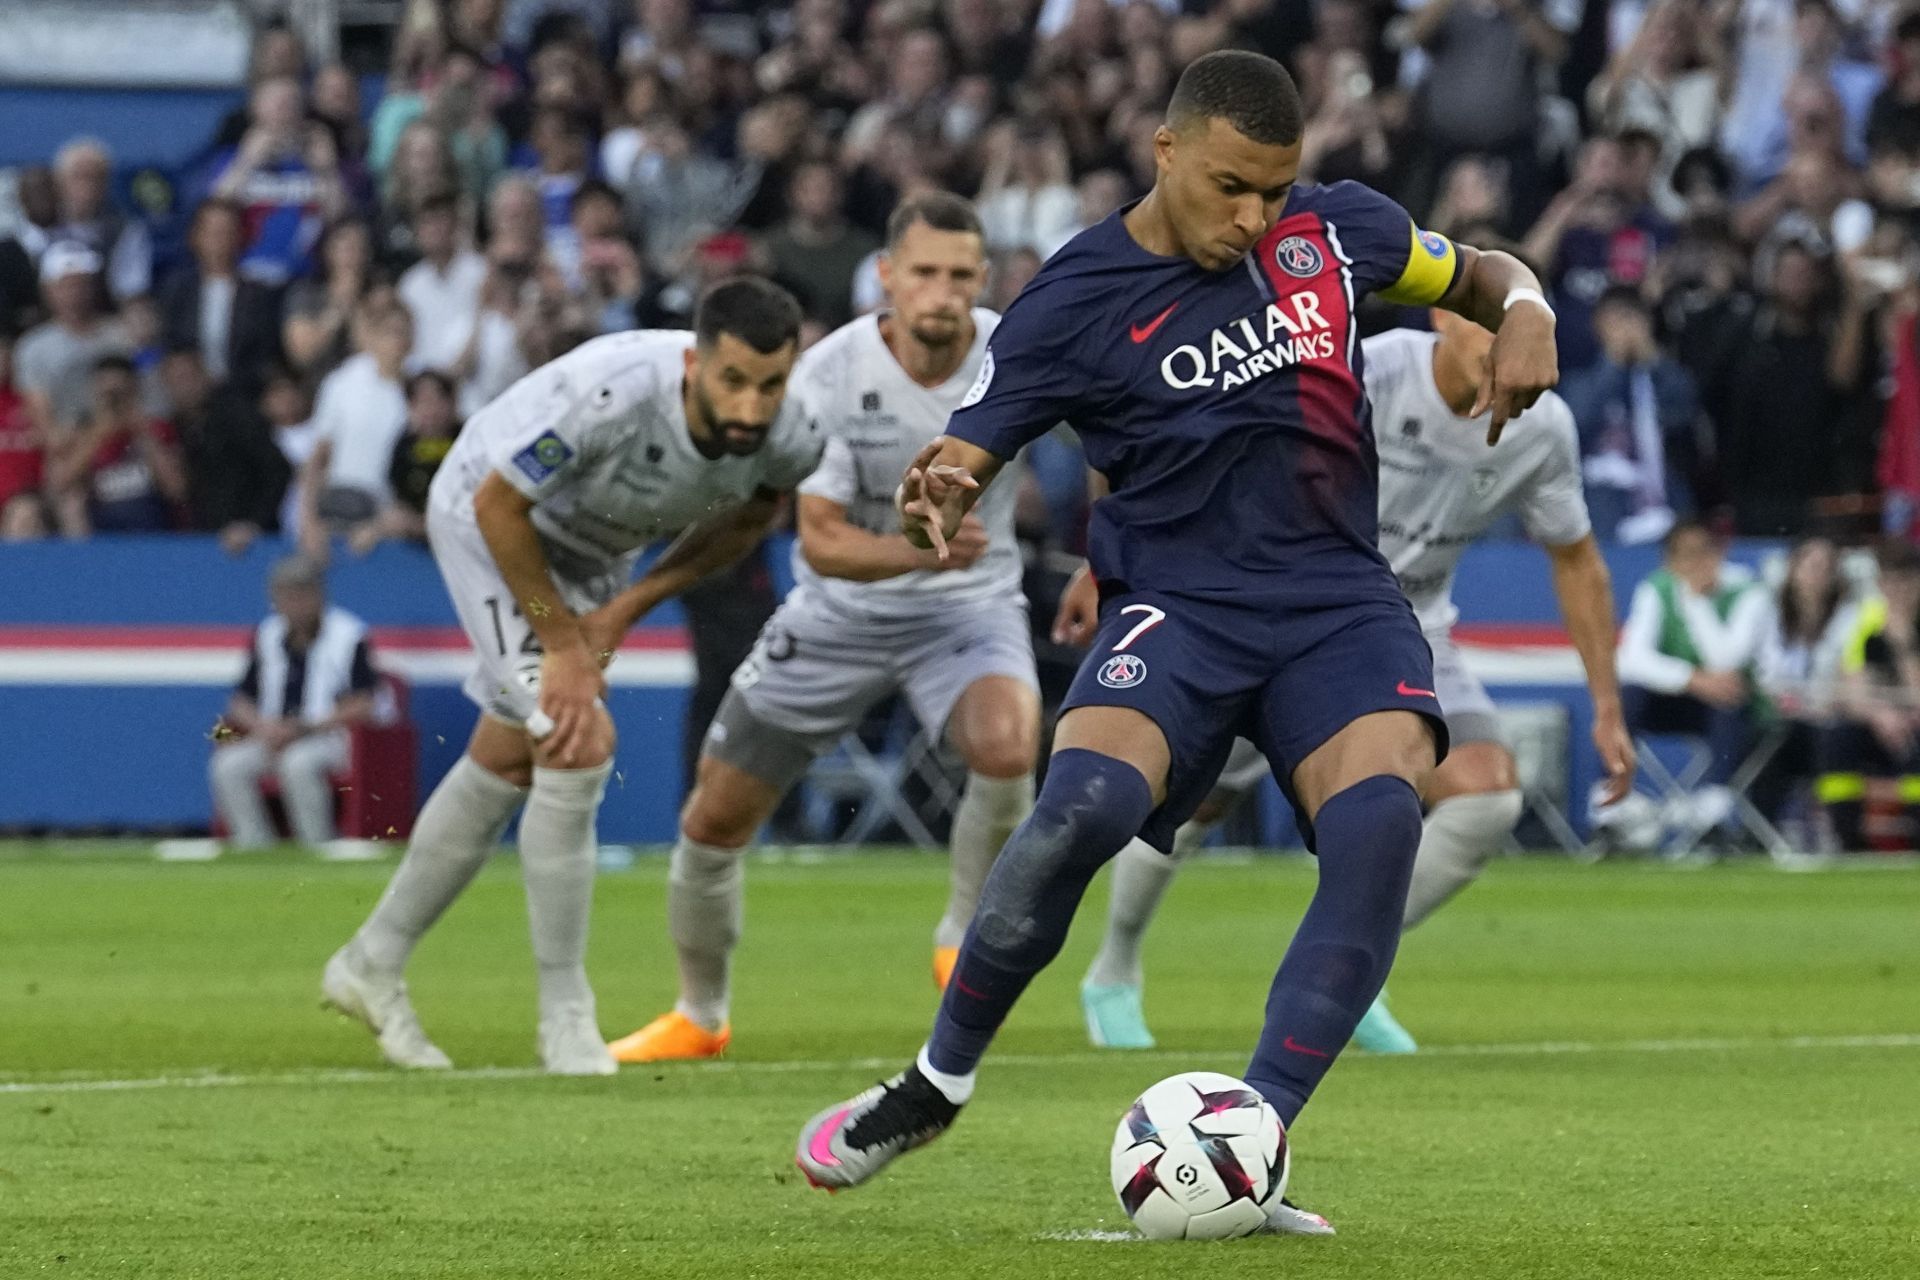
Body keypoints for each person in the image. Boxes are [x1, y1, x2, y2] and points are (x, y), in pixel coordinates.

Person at [791, 52, 1561, 1232]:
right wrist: (938, 486)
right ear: (1165, 151)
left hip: (1335, 601)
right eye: (1229, 186)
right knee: (1083, 805)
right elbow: (969, 446)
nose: (1253, 218)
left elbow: (1485, 271)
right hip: (1179, 606)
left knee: (1381, 823)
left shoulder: (1337, 232)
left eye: (1273, 190)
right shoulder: (1073, 296)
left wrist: (1526, 311)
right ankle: (933, 1083)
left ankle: (1253, 1136)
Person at [1069, 307, 1633, 1053]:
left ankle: (1341, 966)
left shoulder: (1543, 428)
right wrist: (1111, 559)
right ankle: (1113, 970)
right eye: (1488, 332)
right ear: (1442, 318)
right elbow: (1215, 439)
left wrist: (1606, 705)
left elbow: (1576, 559)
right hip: (1280, 607)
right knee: (1196, 799)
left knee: (1488, 794)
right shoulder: (1370, 370)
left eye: (1522, 340)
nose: (1505, 357)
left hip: (1409, 632)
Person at [321, 278, 823, 1077]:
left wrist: (625, 611)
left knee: (513, 752)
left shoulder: (795, 432)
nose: (753, 408)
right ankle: (566, 1016)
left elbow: (749, 520)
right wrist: (562, 646)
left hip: (597, 556)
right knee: (577, 736)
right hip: (490, 521)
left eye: (771, 385)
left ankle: (370, 963)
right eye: (734, 381)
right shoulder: (615, 397)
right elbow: (496, 508)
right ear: (695, 363)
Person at [607, 193, 1040, 1064]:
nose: (942, 293)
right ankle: (700, 1013)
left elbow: (1114, 441)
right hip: (837, 616)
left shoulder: (1019, 352)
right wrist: (926, 553)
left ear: (983, 280)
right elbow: (824, 542)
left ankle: (963, 929)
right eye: (924, 273)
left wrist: (1109, 562)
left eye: (961, 275)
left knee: (1009, 745)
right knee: (713, 818)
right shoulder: (831, 377)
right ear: (886, 277)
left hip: (969, 609)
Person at [1609, 520, 1772, 842]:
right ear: (1669, 562)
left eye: (1703, 552)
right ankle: (1614, 808)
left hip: (1734, 711)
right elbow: (1632, 660)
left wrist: (1696, 603)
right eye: (1684, 555)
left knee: (1728, 699)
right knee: (1627, 698)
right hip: (1677, 701)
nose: (1695, 563)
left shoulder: (1749, 592)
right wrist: (1692, 679)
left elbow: (1727, 660)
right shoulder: (1656, 588)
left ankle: (1714, 811)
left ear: (1720, 552)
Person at [209, 556, 381, 849]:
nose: (294, 604)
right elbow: (240, 700)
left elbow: (364, 703)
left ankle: (315, 843)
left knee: (298, 762)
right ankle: (254, 845)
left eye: (301, 595)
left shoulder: (349, 635)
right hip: (272, 736)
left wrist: (303, 728)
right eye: (285, 596)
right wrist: (264, 727)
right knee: (228, 764)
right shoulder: (267, 634)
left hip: (330, 737)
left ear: (319, 595)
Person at [1822, 541, 1920, 850]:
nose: (1896, 591)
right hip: (1882, 722)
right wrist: (1881, 716)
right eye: (1888, 582)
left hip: (1914, 721)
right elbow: (1852, 684)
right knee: (1837, 737)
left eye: (1904, 581)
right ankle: (1848, 840)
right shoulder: (1865, 618)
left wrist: (1903, 642)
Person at [163, 346, 292, 554]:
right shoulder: (173, 428)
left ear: (205, 376)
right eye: (175, 380)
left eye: (189, 377)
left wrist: (253, 523)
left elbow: (278, 470)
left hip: (248, 545)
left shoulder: (237, 417)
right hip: (200, 542)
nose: (184, 387)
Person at [46, 353, 186, 536]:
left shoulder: (157, 428)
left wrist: (143, 434)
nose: (115, 401)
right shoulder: (81, 433)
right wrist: (99, 434)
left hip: (153, 523)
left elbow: (176, 488)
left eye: (121, 393)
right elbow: (60, 484)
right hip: (101, 526)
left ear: (135, 389)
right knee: (72, 502)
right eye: (107, 394)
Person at [158, 198, 287, 398]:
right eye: (211, 232)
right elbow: (170, 345)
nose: (218, 240)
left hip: (245, 397)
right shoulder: (177, 291)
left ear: (239, 237)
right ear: (195, 237)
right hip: (187, 398)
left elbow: (266, 355)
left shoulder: (260, 295)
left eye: (226, 232)